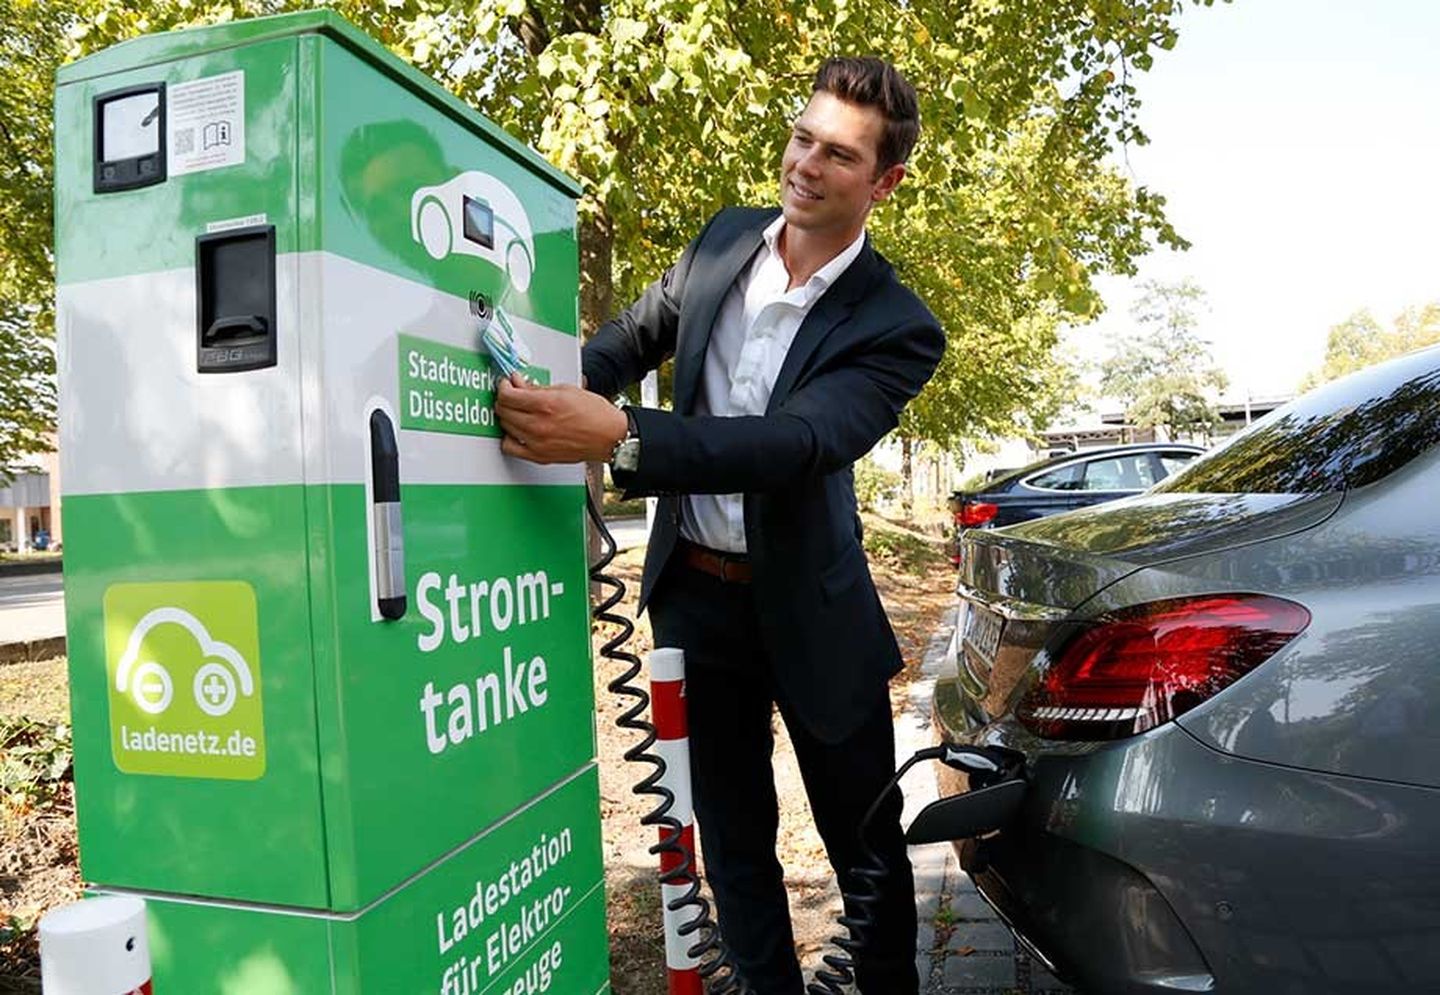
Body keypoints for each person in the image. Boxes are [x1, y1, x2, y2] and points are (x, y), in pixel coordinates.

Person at [495, 57, 944, 995]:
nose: (807, 165)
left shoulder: (899, 325)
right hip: (697, 603)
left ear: (884, 181)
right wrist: (554, 386)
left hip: (816, 614)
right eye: (802, 137)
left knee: (866, 854)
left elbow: (794, 442)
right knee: (735, 847)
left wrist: (619, 434)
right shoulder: (721, 244)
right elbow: (624, 342)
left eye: (840, 154)